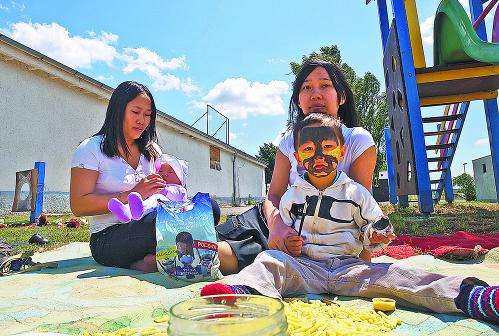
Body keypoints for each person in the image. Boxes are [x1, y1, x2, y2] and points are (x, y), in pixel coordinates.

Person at [203, 114, 499, 325]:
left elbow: (376, 223)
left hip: (350, 268)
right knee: (268, 261)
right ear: (297, 157)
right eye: (308, 150)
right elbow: (286, 227)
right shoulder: (293, 195)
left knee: (398, 275)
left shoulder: (356, 193)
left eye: (328, 148)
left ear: (342, 151)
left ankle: (471, 296)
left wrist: (376, 235)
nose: (319, 156)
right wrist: (289, 242)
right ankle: (243, 294)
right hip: (304, 268)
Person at [216, 58, 377, 274]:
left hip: (306, 243)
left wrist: (364, 270)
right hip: (271, 221)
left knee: (216, 256)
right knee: (199, 241)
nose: (316, 94)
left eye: (325, 85)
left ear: (342, 97)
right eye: (306, 87)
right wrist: (276, 227)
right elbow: (273, 195)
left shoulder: (357, 140)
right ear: (298, 101)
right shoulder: (288, 141)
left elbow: (362, 213)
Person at [71, 81, 220, 272]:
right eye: (135, 112)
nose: (142, 120)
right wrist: (131, 194)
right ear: (118, 110)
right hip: (109, 237)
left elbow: (165, 190)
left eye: (147, 115)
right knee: (158, 224)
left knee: (210, 208)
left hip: (152, 218)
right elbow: (78, 205)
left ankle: (151, 260)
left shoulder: (151, 150)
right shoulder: (91, 148)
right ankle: (160, 256)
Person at [107, 154, 189, 223]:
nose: (164, 174)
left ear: (180, 180)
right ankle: (125, 212)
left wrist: (163, 189)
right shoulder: (157, 187)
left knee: (153, 200)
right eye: (161, 171)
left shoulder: (179, 189)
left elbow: (176, 196)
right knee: (141, 201)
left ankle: (139, 211)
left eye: (170, 172)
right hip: (154, 210)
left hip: (167, 212)